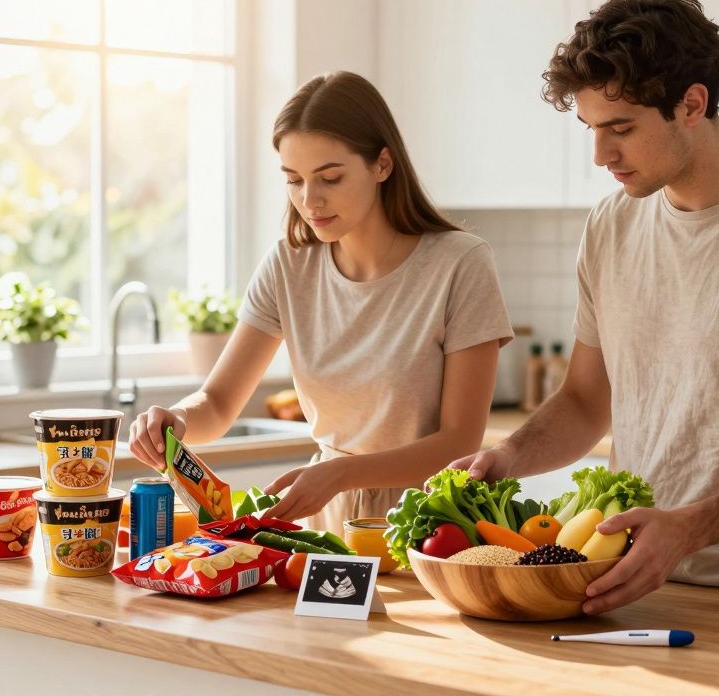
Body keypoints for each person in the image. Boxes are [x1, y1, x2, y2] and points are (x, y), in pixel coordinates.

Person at [451, 0, 719, 614]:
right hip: (626, 582)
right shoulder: (611, 226)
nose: (600, 155)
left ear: (692, 104)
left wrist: (688, 529)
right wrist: (509, 456)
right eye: (593, 129)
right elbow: (586, 402)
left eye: (621, 128)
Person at [129, 71, 513, 533]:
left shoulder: (460, 263)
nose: (309, 201)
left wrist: (340, 473)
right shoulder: (290, 265)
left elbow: (459, 442)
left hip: (433, 522)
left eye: (330, 178)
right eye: (294, 180)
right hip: (327, 519)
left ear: (383, 165)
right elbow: (217, 402)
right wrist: (178, 419)